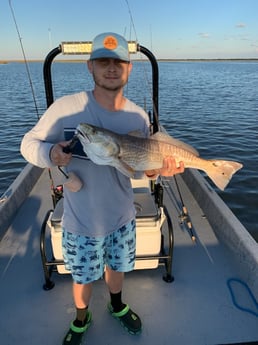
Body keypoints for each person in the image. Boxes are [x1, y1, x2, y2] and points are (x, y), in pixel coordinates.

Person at [20, 32, 184, 345]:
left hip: (123, 216)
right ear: (90, 66)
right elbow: (28, 144)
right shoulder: (67, 109)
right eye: (103, 61)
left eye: (118, 62)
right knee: (81, 277)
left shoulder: (137, 115)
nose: (111, 68)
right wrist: (49, 154)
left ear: (129, 68)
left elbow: (145, 169)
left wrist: (161, 169)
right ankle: (81, 317)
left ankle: (117, 305)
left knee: (118, 268)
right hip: (80, 221)